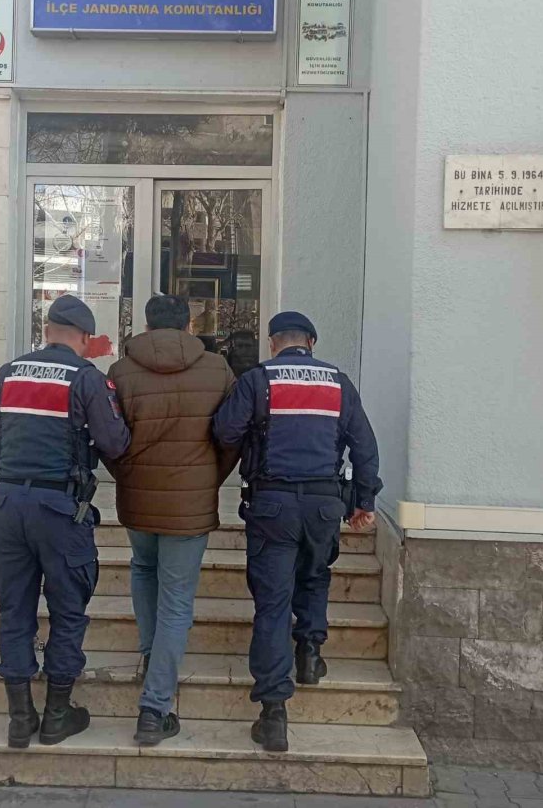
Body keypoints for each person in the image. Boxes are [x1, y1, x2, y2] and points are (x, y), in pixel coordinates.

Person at [213, 311, 381, 752]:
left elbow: (225, 430)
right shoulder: (338, 384)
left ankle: (273, 714)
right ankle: (309, 655)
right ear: (312, 341)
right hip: (325, 504)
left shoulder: (257, 380)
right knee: (314, 576)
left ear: (273, 343)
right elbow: (365, 446)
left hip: (272, 503)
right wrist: (365, 502)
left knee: (272, 603)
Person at [0, 294, 130, 749]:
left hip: (7, 503)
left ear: (47, 330)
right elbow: (115, 442)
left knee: (14, 610)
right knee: (68, 611)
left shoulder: (9, 372)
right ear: (86, 339)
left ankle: (17, 718)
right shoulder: (87, 378)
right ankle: (56, 714)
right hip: (59, 509)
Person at [107, 295, 239, 745]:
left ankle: (152, 659)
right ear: (188, 325)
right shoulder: (218, 369)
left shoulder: (121, 371)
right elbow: (231, 435)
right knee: (178, 598)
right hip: (191, 503)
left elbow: (111, 439)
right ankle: (154, 707)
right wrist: (210, 479)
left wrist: (125, 474)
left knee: (144, 571)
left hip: (138, 499)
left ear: (146, 325)